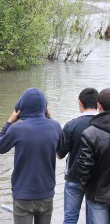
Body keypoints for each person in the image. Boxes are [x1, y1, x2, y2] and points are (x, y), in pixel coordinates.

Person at [0, 88, 62, 224]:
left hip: (23, 194)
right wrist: (49, 118)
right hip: (46, 193)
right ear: (45, 107)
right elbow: (61, 150)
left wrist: (9, 122)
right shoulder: (55, 127)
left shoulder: (17, 129)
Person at [56, 88, 98, 224]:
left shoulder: (71, 125)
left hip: (74, 177)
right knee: (94, 219)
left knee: (70, 217)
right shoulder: (102, 124)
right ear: (98, 104)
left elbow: (60, 154)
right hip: (96, 180)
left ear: (80, 103)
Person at [78, 88, 110, 224]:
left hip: (98, 195)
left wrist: (86, 185)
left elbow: (84, 168)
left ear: (99, 106)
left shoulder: (90, 133)